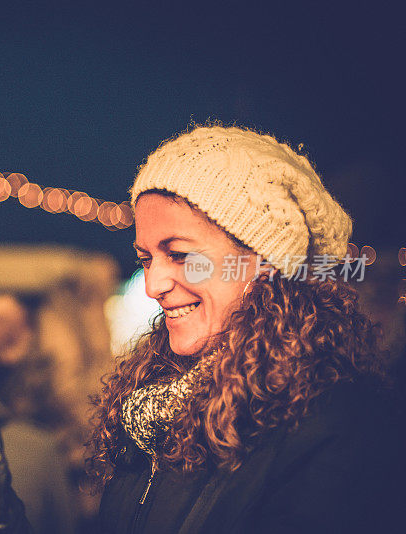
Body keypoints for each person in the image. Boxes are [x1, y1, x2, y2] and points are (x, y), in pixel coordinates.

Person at [86, 126, 405, 533]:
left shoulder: (335, 425)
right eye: (146, 258)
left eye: (180, 254)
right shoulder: (152, 410)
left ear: (265, 262)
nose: (153, 286)